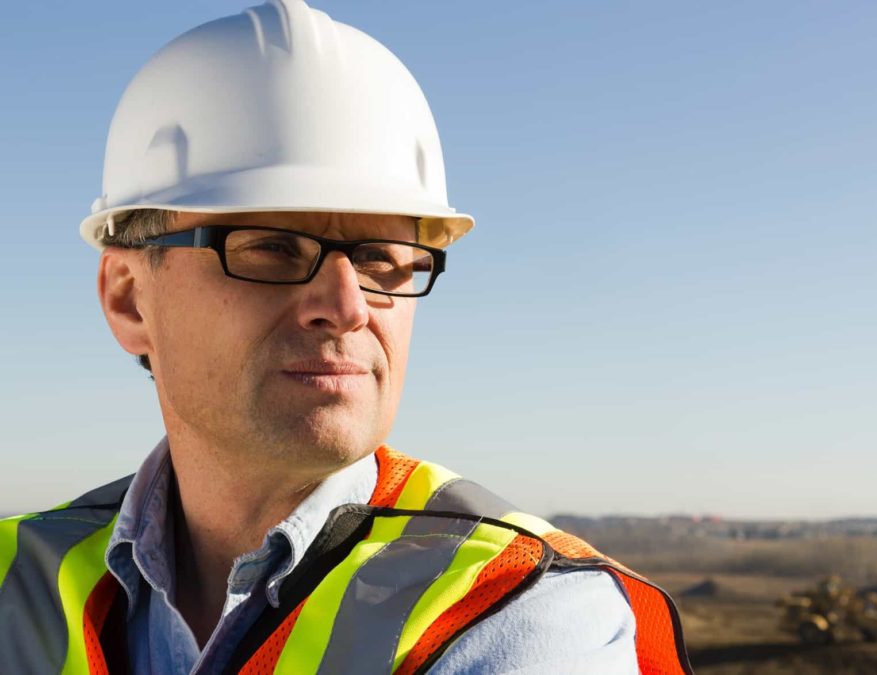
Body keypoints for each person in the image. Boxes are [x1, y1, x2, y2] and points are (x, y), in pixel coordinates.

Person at [0, 1, 690, 673]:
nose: (347, 305)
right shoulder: (15, 580)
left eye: (382, 258)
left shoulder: (523, 613)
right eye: (270, 247)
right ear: (128, 300)